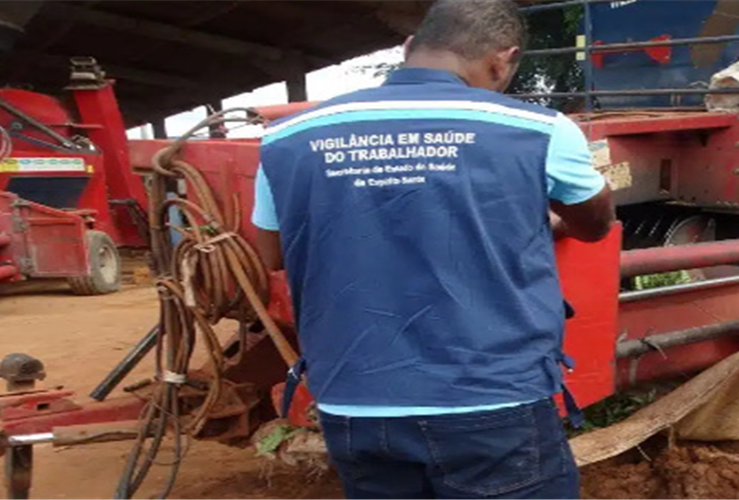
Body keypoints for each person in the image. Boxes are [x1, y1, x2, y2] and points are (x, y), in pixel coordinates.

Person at [251, 0, 615, 498]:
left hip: (353, 404)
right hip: (490, 402)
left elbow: (271, 254)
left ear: (407, 48)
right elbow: (596, 224)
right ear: (502, 60)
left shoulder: (286, 138)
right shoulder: (539, 130)